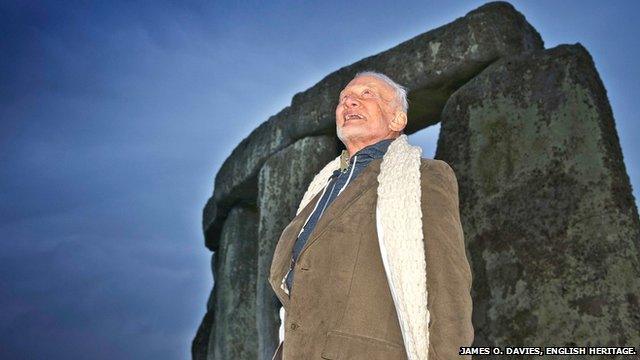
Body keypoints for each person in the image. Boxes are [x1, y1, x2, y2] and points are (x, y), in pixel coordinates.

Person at [268, 71, 473, 359]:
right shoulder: (318, 192)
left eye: (367, 95)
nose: (350, 102)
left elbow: (449, 290)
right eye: (344, 99)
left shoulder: (425, 176)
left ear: (397, 119)